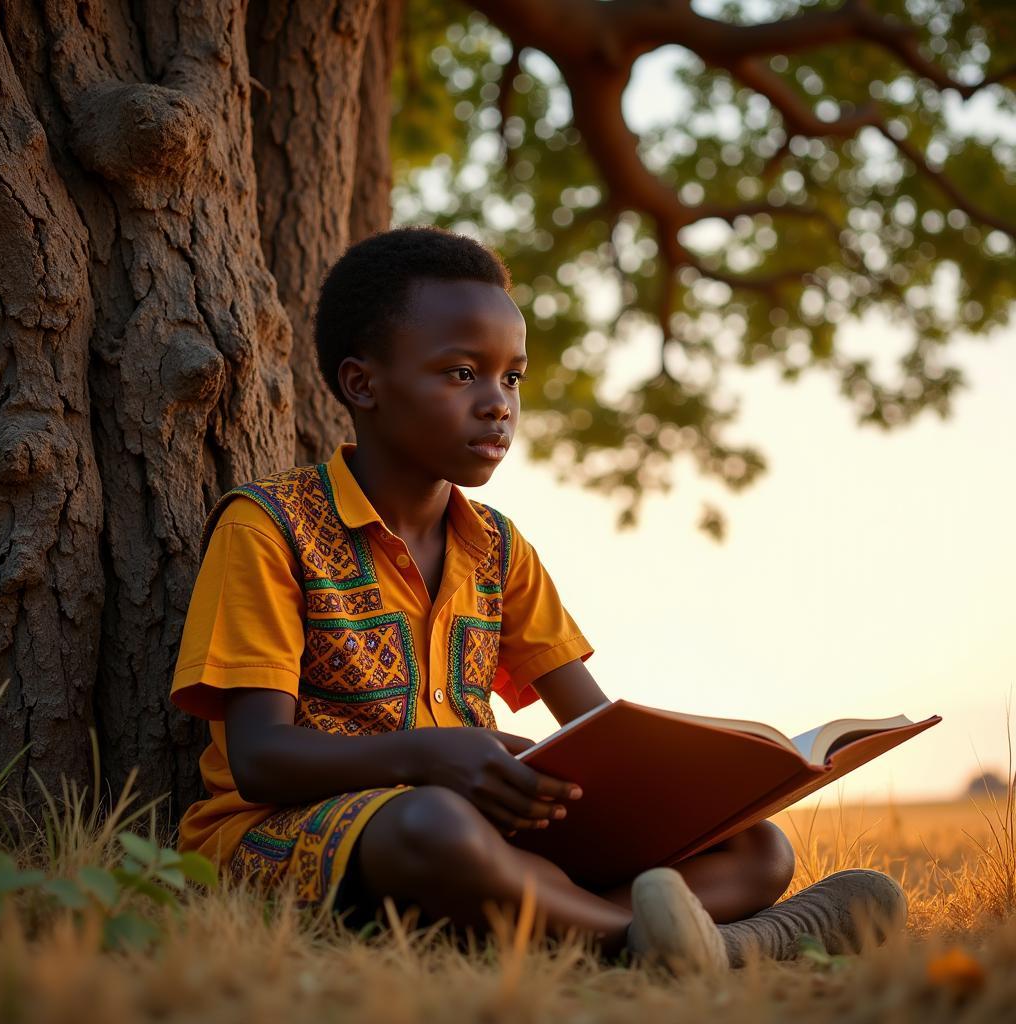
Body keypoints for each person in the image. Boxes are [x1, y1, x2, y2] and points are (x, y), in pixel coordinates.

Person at [169, 225, 907, 974]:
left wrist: (716, 787)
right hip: (304, 834)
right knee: (436, 824)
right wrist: (430, 755)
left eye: (511, 378)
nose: (497, 405)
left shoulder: (497, 546)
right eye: (462, 374)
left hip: (487, 826)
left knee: (758, 846)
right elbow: (261, 759)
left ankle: (646, 937)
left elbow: (593, 724)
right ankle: (690, 943)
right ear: (363, 385)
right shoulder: (270, 526)